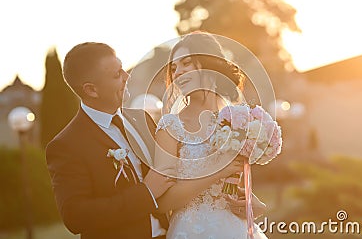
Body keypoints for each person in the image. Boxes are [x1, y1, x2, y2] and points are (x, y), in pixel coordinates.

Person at [46, 42, 175, 239]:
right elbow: (76, 216)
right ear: (91, 90)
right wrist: (146, 193)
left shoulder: (142, 119)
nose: (127, 76)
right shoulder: (66, 146)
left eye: (122, 68)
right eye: (116, 75)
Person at [154, 32, 268, 239]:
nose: (178, 72)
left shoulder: (238, 119)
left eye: (186, 63)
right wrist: (216, 171)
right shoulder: (171, 126)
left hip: (237, 229)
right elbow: (163, 203)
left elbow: (232, 185)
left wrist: (251, 203)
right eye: (174, 68)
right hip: (191, 230)